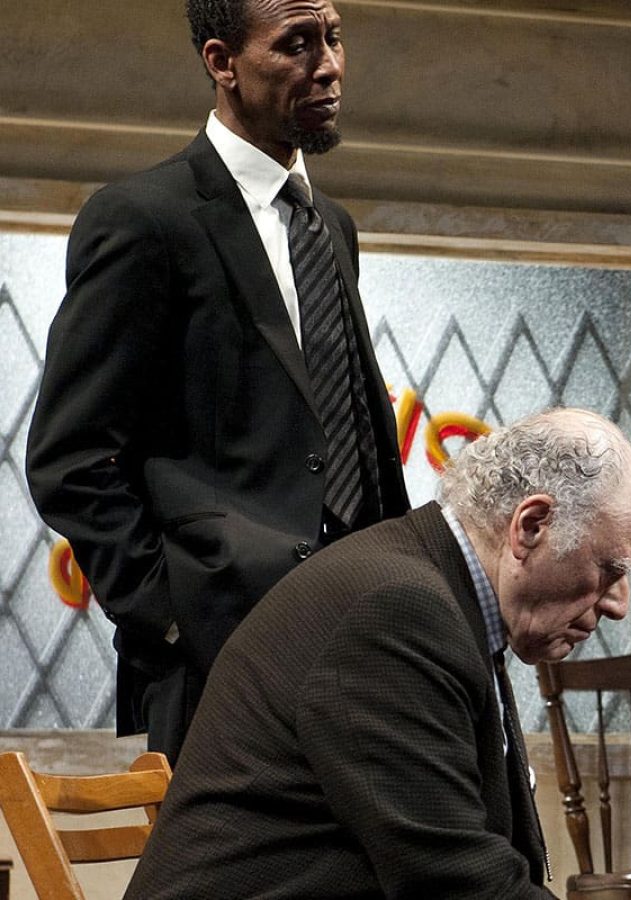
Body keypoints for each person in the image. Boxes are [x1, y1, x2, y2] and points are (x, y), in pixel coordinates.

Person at [25, 0, 407, 762]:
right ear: (222, 62)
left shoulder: (331, 224)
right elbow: (68, 458)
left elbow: (344, 434)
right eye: (295, 44)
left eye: (332, 38)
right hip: (211, 655)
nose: (327, 64)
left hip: (355, 638)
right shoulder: (143, 217)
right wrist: (172, 613)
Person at [123, 409, 631, 899]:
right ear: (531, 525)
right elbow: (454, 881)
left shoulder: (436, 593)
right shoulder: (399, 610)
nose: (618, 605)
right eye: (610, 569)